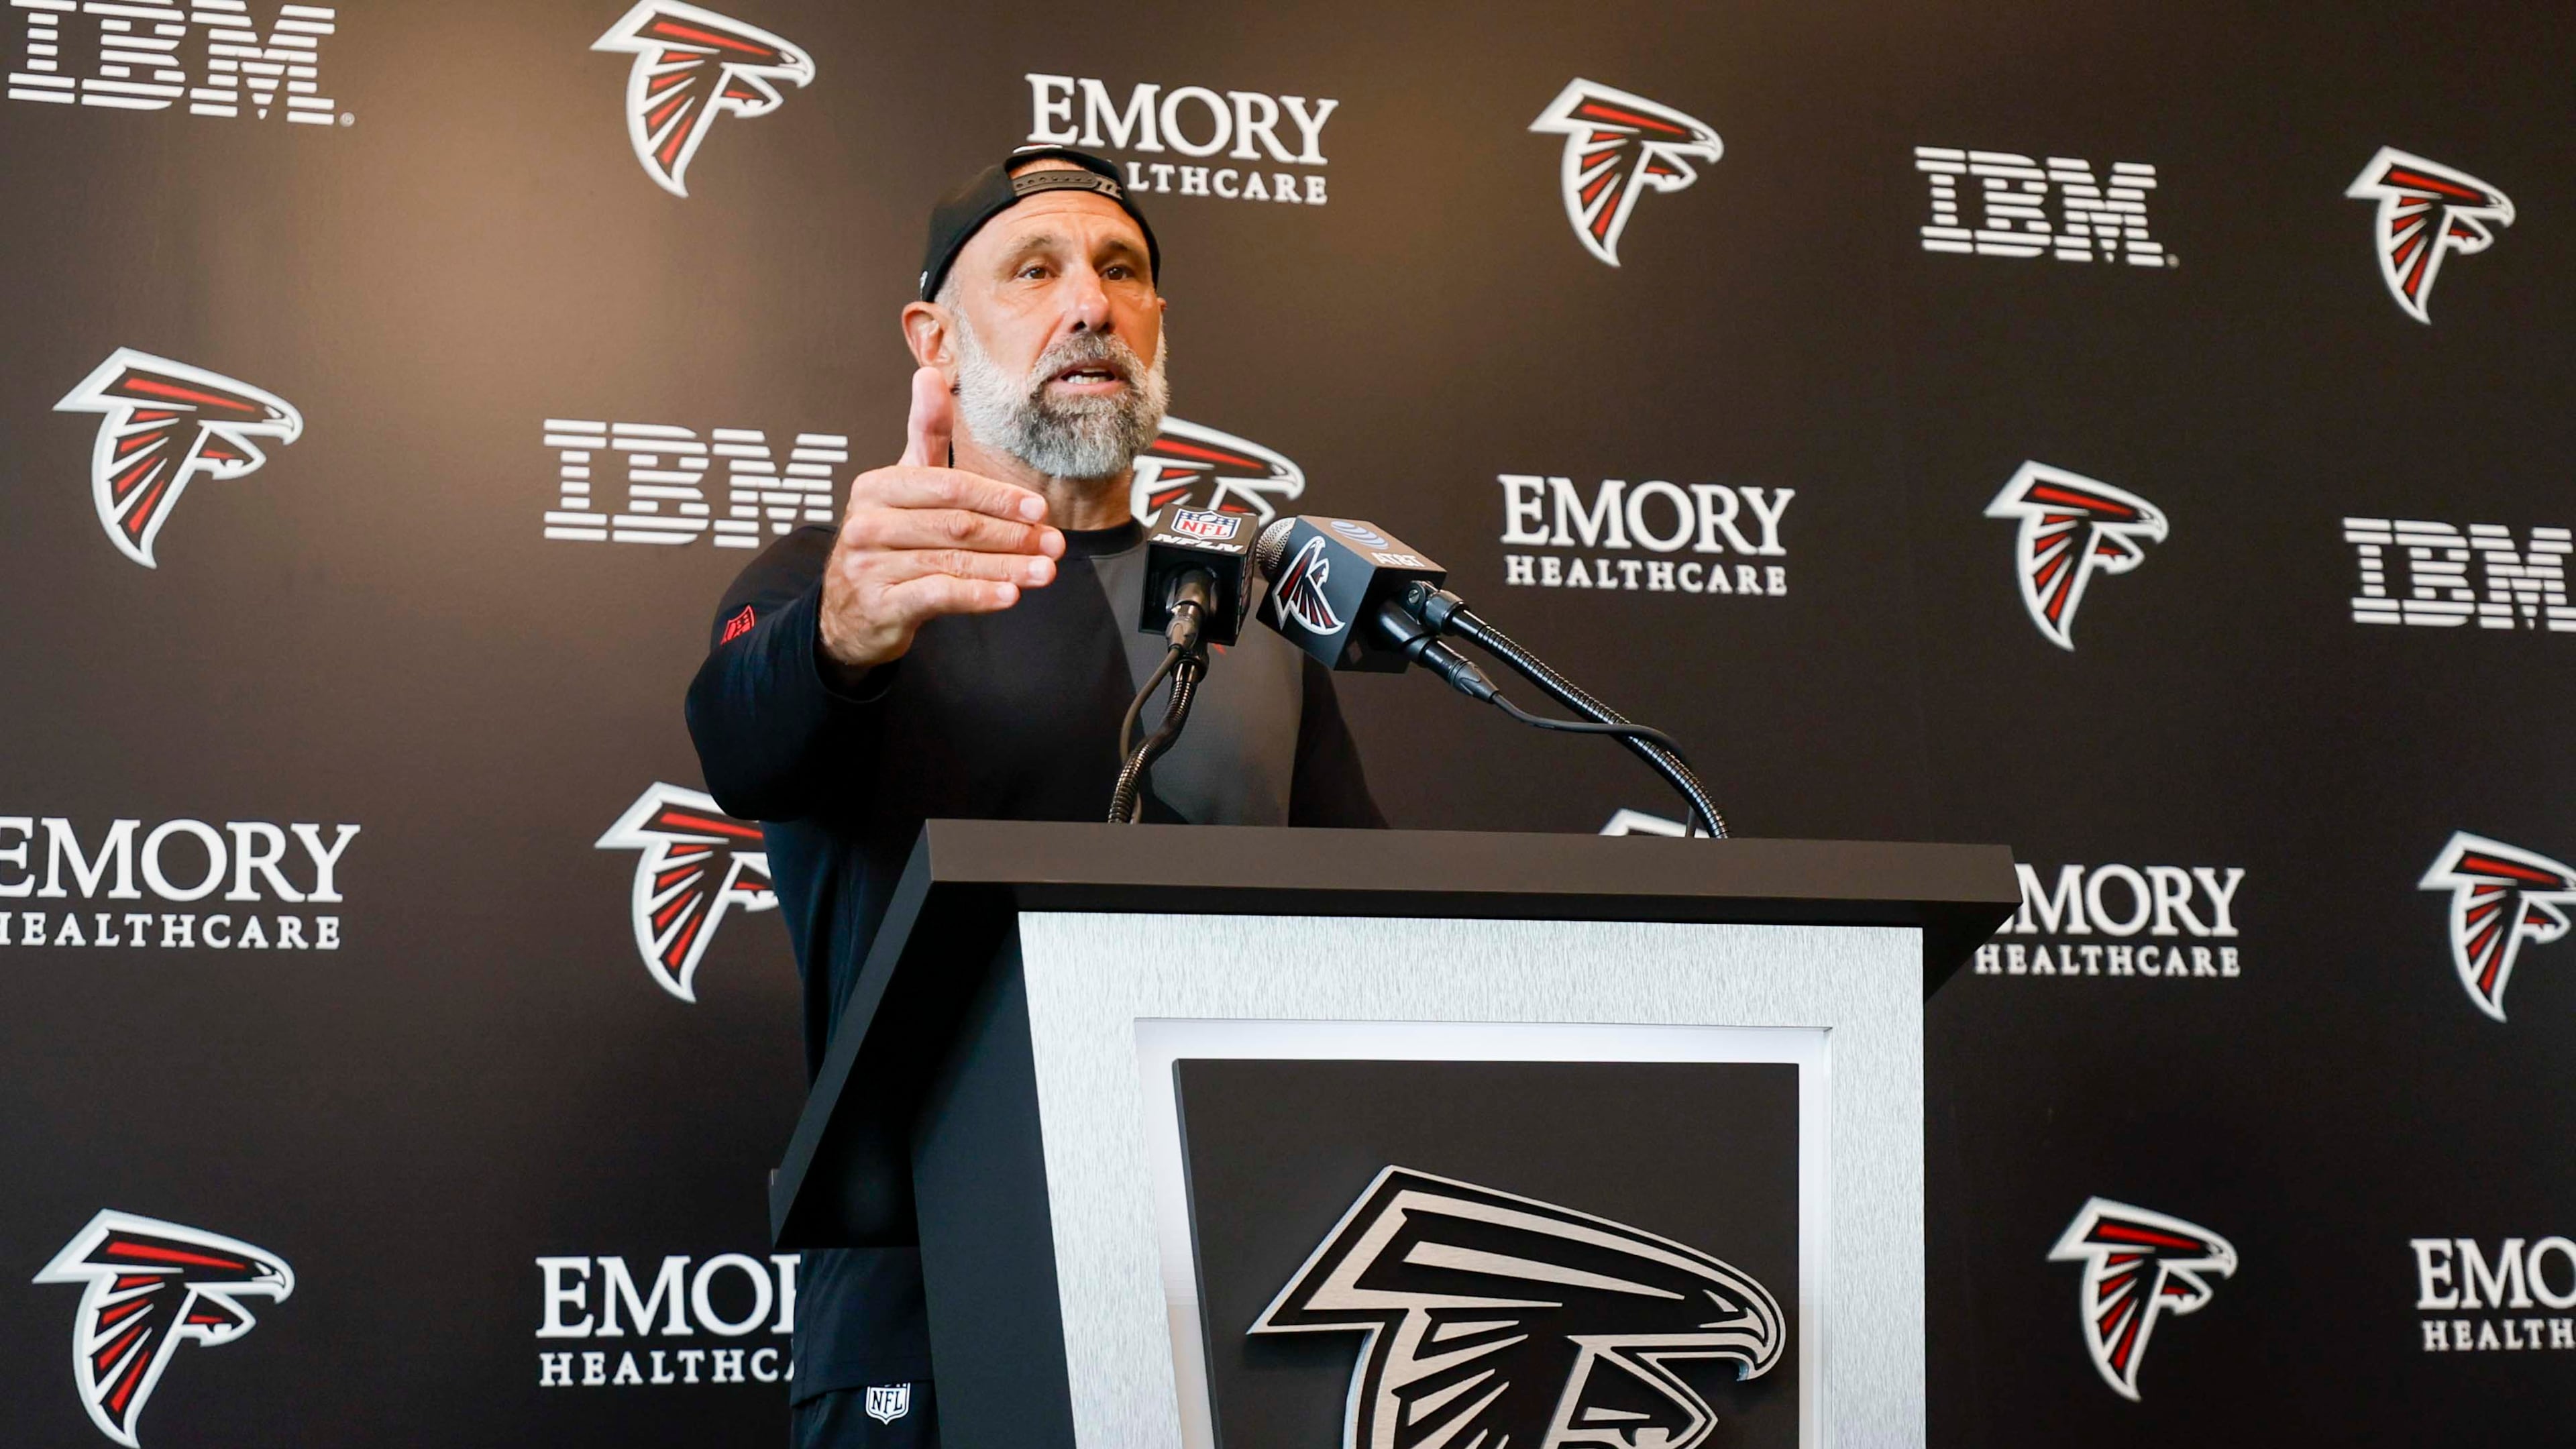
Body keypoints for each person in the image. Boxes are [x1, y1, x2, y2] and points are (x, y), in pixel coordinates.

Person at [683, 145, 1385, 1448]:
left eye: (1122, 271)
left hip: (1238, 1293)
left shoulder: (1254, 624)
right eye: (1035, 269)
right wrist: (839, 633)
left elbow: (1370, 946)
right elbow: (741, 744)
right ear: (932, 339)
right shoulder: (851, 578)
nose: (1088, 304)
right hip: (929, 1310)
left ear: (1158, 323)